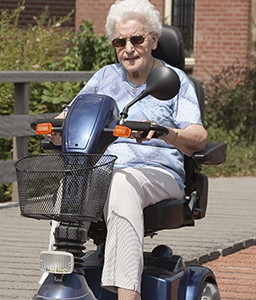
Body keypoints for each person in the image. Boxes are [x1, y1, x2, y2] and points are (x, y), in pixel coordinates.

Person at [44, 0, 207, 299]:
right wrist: (57, 129)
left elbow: (198, 137)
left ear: (154, 40)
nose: (128, 48)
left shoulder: (175, 82)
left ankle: (127, 294)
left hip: (156, 173)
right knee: (71, 184)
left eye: (137, 39)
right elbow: (70, 114)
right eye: (120, 41)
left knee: (121, 182)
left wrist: (165, 132)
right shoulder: (105, 77)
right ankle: (57, 284)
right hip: (104, 169)